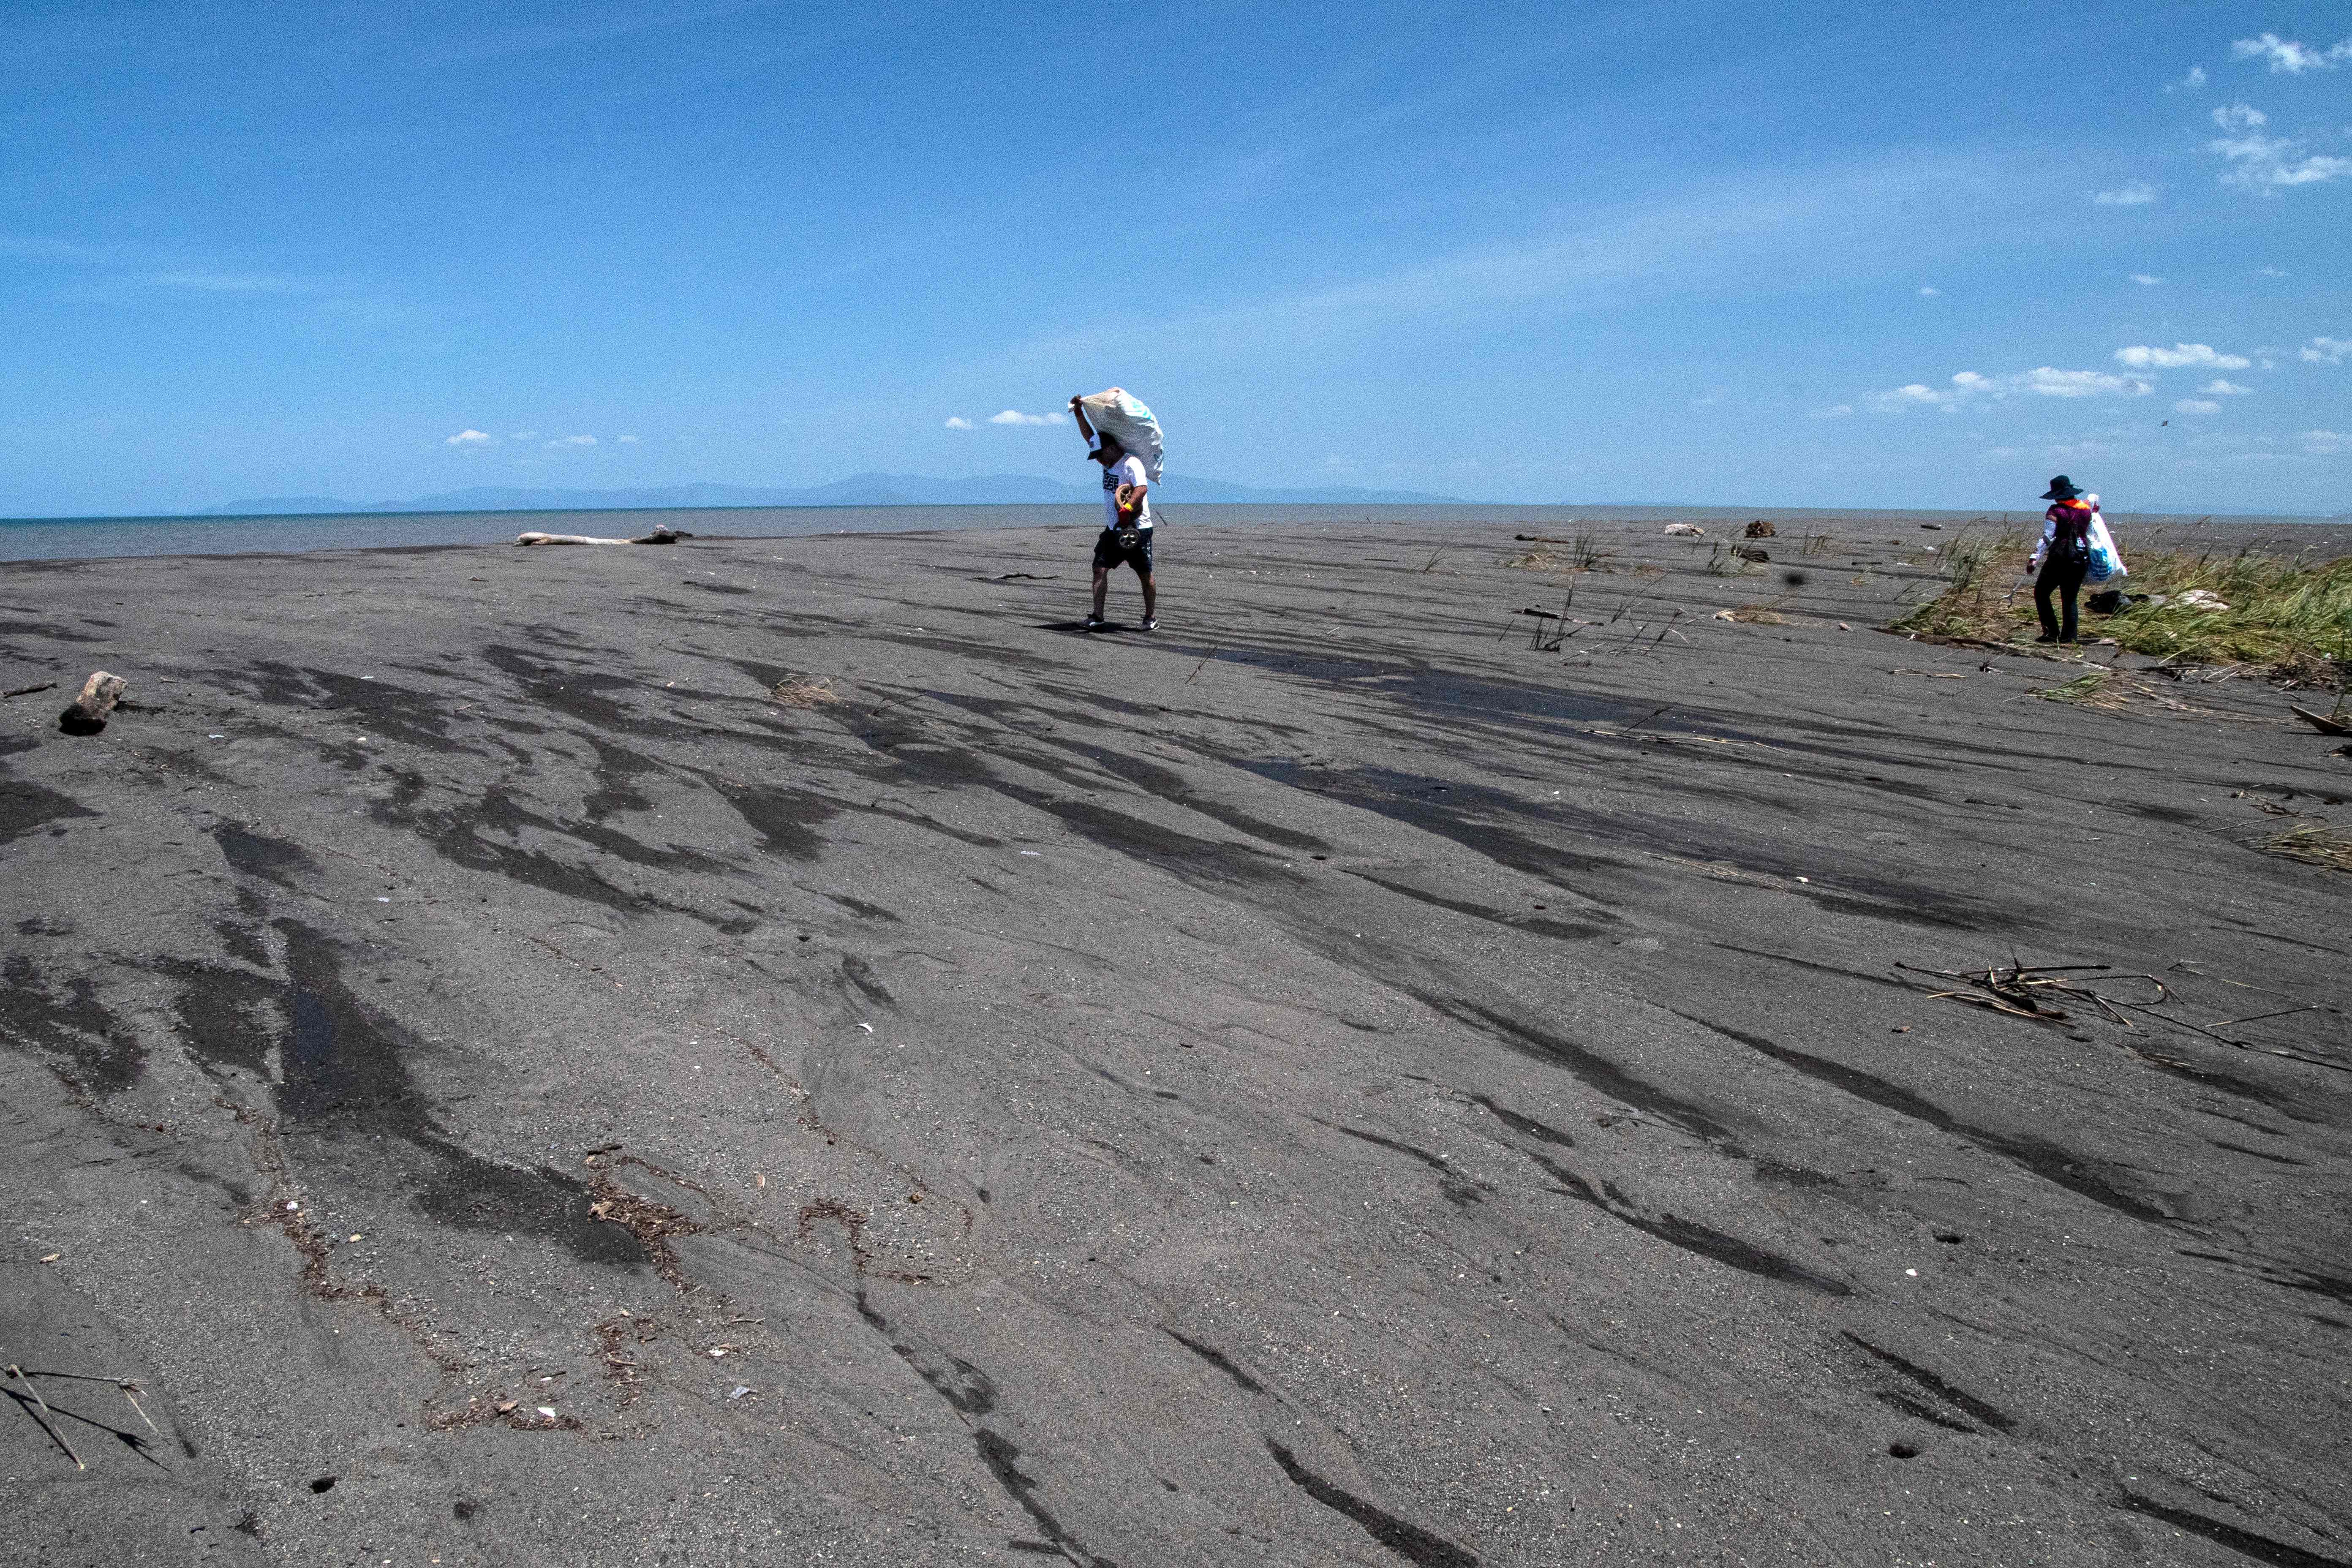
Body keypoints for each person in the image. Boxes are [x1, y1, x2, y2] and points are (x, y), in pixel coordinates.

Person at [1069, 395, 1157, 631]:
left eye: (1101, 454)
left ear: (1112, 448)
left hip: (1137, 530)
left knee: (1144, 572)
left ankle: (1150, 618)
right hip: (1113, 529)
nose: (1098, 460)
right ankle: (1097, 615)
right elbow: (1091, 439)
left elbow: (1142, 488)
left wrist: (1127, 509)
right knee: (1099, 568)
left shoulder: (1131, 463)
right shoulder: (1107, 460)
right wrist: (1080, 414)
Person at [2029, 475, 2102, 645]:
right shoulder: (2085, 510)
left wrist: (2034, 557)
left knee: (2041, 593)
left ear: (2058, 495)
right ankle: (2069, 637)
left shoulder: (2055, 511)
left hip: (2059, 559)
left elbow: (2048, 536)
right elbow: (2092, 535)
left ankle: (2051, 632)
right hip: (2081, 559)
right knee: (2070, 598)